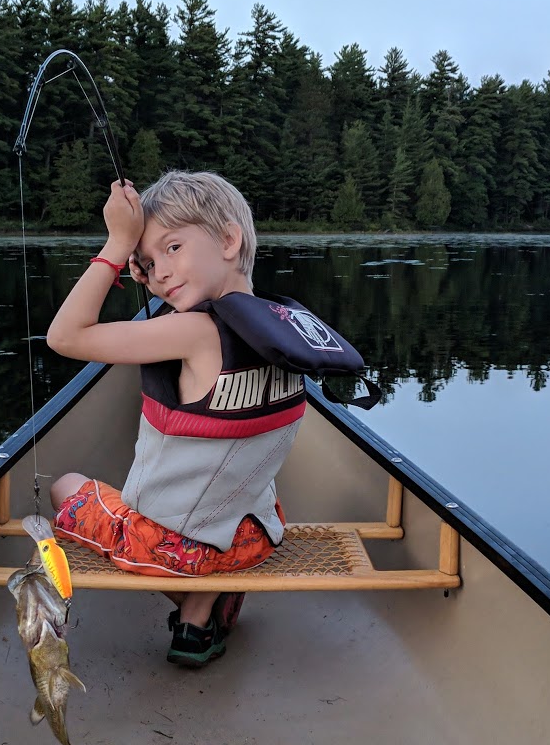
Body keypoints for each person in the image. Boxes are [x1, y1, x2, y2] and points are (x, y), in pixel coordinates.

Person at [46, 170, 357, 668]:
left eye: (173, 248)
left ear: (229, 240)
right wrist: (151, 260)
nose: (161, 272)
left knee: (65, 486)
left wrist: (117, 243)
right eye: (148, 262)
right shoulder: (283, 328)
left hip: (173, 551)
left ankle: (197, 605)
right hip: (256, 538)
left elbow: (64, 337)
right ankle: (197, 614)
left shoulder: (191, 333)